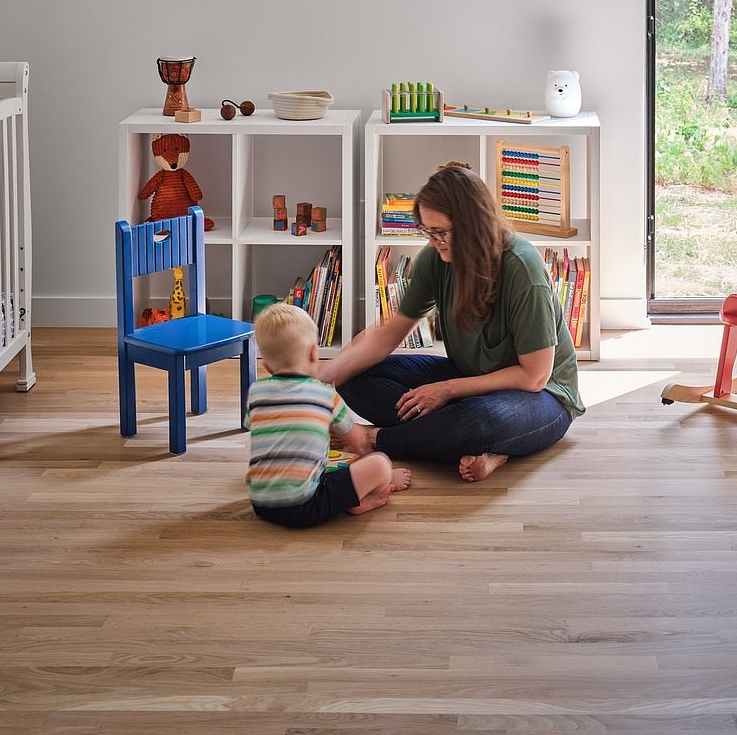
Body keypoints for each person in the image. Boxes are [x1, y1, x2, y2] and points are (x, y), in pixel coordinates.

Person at [321, 163, 585, 482]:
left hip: (542, 398)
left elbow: (535, 376)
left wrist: (446, 390)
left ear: (473, 225)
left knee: (476, 420)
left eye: (440, 232)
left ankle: (377, 440)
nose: (433, 241)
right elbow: (390, 331)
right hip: (470, 379)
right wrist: (320, 378)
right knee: (355, 376)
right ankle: (471, 444)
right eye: (426, 231)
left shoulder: (522, 270)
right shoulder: (437, 257)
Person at [246, 302, 411, 527]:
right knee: (380, 463)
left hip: (260, 503)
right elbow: (359, 442)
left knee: (324, 460)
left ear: (267, 367)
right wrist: (370, 468)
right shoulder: (325, 394)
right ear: (314, 353)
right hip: (305, 506)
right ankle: (362, 499)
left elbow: (260, 427)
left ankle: (347, 495)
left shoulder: (256, 392)